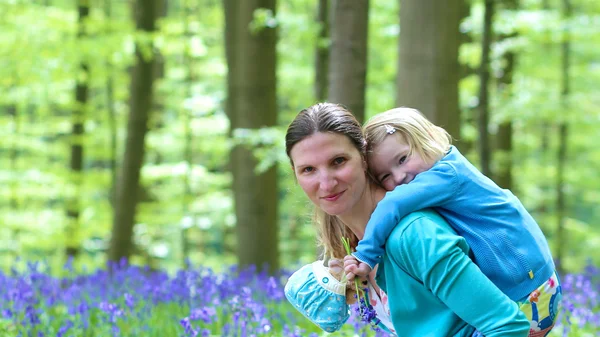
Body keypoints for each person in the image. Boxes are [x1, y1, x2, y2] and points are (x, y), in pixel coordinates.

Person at [284, 102, 530, 337]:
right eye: (308, 170)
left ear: (364, 157)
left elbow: (507, 327)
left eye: (338, 161)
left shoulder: (413, 235)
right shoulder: (358, 248)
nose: (326, 183)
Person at [345, 107, 562, 336]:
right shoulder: (449, 172)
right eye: (385, 176)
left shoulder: (447, 174)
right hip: (537, 286)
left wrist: (366, 255)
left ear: (426, 139)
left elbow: (392, 204)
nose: (399, 177)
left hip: (529, 292)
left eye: (402, 159)